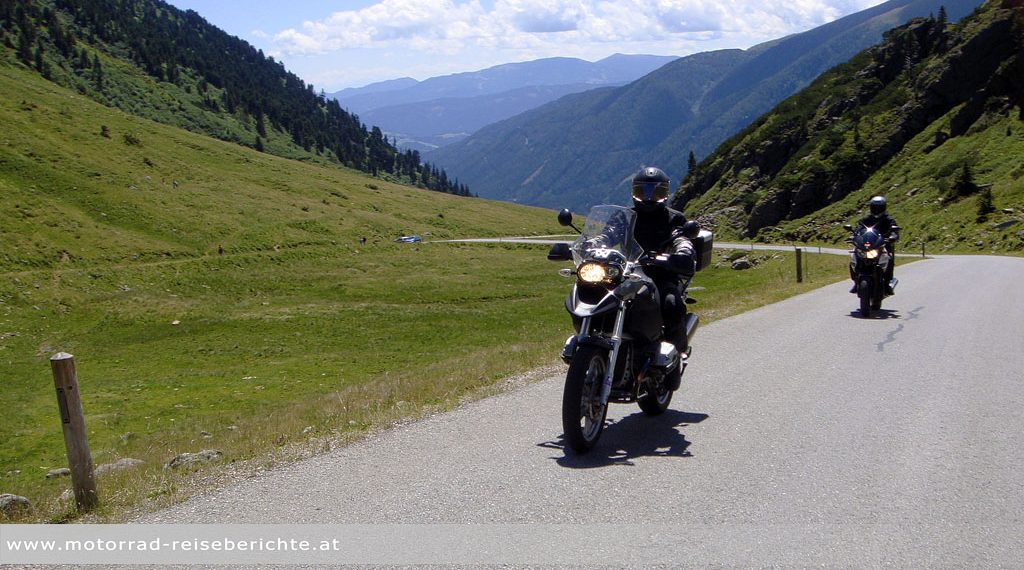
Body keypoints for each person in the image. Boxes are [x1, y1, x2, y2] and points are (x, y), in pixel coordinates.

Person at [629, 166, 697, 353]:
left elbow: (681, 238)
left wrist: (682, 252)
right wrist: (592, 245)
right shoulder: (626, 217)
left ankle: (676, 355)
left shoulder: (674, 219)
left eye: (656, 192)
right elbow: (608, 235)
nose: (649, 197)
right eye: (642, 191)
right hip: (628, 274)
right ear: (634, 192)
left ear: (665, 193)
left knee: (671, 304)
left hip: (661, 276)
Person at [853, 195, 899, 294]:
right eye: (875, 207)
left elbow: (894, 230)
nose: (877, 210)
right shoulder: (866, 219)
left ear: (884, 208)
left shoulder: (888, 219)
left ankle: (887, 283)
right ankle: (856, 281)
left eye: (879, 208)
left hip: (883, 244)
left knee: (889, 259)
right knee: (854, 255)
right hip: (868, 245)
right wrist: (854, 235)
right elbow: (859, 228)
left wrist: (893, 236)